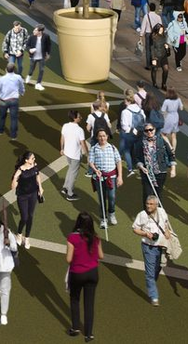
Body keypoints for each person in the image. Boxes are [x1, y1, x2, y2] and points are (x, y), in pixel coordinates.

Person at [132, 193, 174, 306]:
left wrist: (167, 231)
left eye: (151, 204)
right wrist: (145, 233)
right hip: (148, 247)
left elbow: (166, 224)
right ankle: (154, 296)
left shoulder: (162, 212)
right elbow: (135, 228)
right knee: (150, 273)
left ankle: (151, 282)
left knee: (159, 267)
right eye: (147, 204)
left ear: (156, 204)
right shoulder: (142, 215)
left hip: (161, 245)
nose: (148, 206)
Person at [65, 210, 101, 341]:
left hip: (77, 273)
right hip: (93, 273)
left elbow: (69, 259)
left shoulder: (72, 237)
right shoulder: (95, 237)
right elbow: (101, 256)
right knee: (89, 304)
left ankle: (75, 328)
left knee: (75, 299)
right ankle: (89, 334)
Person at [87, 128, 123, 227]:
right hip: (99, 177)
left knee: (112, 197)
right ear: (97, 137)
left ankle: (111, 214)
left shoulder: (112, 147)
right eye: (100, 136)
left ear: (107, 136)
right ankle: (103, 219)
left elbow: (118, 161)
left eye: (104, 136)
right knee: (101, 198)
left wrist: (120, 176)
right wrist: (95, 170)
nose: (102, 138)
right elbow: (90, 162)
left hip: (111, 177)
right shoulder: (94, 148)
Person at [136, 122, 175, 201]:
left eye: (151, 129)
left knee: (158, 194)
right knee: (147, 195)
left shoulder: (161, 141)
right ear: (144, 132)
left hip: (161, 172)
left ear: (155, 129)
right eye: (146, 130)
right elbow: (137, 157)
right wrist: (141, 167)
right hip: (146, 173)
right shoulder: (140, 143)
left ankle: (158, 212)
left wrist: (173, 169)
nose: (149, 132)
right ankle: (148, 212)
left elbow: (171, 155)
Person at [61, 109, 89, 200]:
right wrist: (87, 154)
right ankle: (70, 193)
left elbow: (62, 138)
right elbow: (83, 144)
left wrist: (61, 149)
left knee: (70, 169)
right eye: (79, 116)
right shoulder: (79, 130)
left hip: (67, 153)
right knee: (73, 174)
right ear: (75, 118)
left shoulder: (65, 126)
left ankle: (65, 187)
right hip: (75, 155)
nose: (81, 117)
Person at [159, 87, 183, 157]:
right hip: (176, 116)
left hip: (169, 117)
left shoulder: (166, 101)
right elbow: (181, 108)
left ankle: (169, 146)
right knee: (174, 135)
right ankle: (173, 150)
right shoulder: (178, 99)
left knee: (163, 134)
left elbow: (163, 111)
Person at [148, 24, 171, 90]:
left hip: (163, 55)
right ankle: (154, 83)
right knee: (154, 69)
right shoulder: (153, 37)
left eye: (162, 30)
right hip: (156, 55)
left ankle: (164, 84)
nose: (161, 31)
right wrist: (153, 58)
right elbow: (152, 48)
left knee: (166, 69)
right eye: (160, 30)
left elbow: (165, 42)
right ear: (157, 30)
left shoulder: (164, 35)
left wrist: (166, 47)